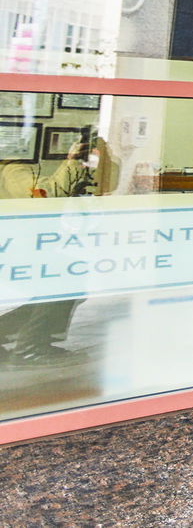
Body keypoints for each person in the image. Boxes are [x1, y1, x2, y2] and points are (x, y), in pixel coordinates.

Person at [0, 140, 96, 367]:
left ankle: (25, 340)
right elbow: (46, 195)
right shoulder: (13, 169)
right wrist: (72, 163)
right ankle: (30, 349)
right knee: (64, 281)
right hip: (13, 247)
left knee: (55, 287)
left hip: (14, 245)